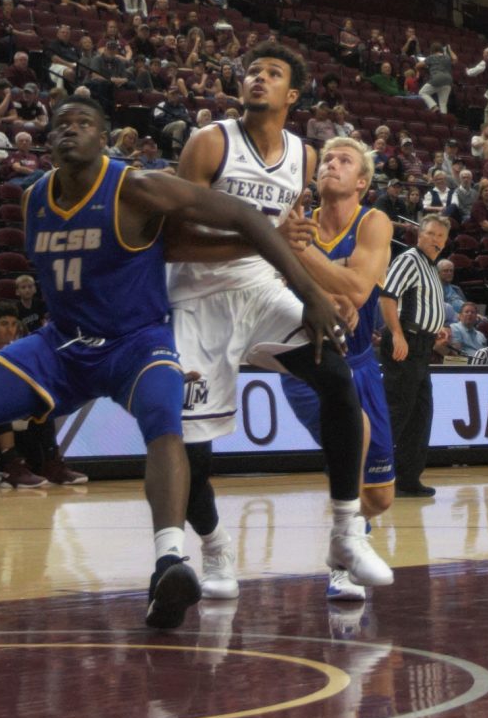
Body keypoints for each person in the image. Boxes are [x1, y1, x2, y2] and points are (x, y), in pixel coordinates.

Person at [0, 92, 344, 628]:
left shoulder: (137, 185)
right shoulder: (34, 198)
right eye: (61, 123)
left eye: (84, 122)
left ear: (103, 137)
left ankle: (168, 565)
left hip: (135, 342)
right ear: (48, 140)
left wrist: (309, 293)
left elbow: (244, 216)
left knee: (165, 422)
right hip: (61, 345)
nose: (70, 129)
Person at [164, 44, 392, 604]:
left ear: (292, 96)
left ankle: (345, 535)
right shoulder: (210, 142)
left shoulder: (304, 157)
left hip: (264, 293)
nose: (257, 79)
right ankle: (215, 546)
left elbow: (287, 243)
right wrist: (258, 239)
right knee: (193, 452)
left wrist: (312, 291)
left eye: (272, 73)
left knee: (337, 378)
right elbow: (169, 239)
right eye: (251, 72)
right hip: (198, 299)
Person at [278, 137, 401, 600]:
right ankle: (343, 560)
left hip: (363, 363)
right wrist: (325, 284)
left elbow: (357, 287)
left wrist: (296, 253)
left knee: (380, 497)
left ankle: (352, 537)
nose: (331, 164)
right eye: (327, 159)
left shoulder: (374, 221)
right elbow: (320, 286)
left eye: (344, 160)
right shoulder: (300, 222)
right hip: (307, 361)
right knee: (358, 429)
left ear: (362, 182)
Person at [383, 215, 447, 499]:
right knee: (397, 412)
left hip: (422, 346)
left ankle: (408, 479)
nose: (436, 240)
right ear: (419, 235)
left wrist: (436, 329)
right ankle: (372, 474)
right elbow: (387, 297)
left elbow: (423, 305)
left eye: (441, 237)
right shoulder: (409, 259)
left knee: (421, 415)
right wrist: (397, 334)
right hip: (405, 342)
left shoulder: (432, 268)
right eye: (431, 234)